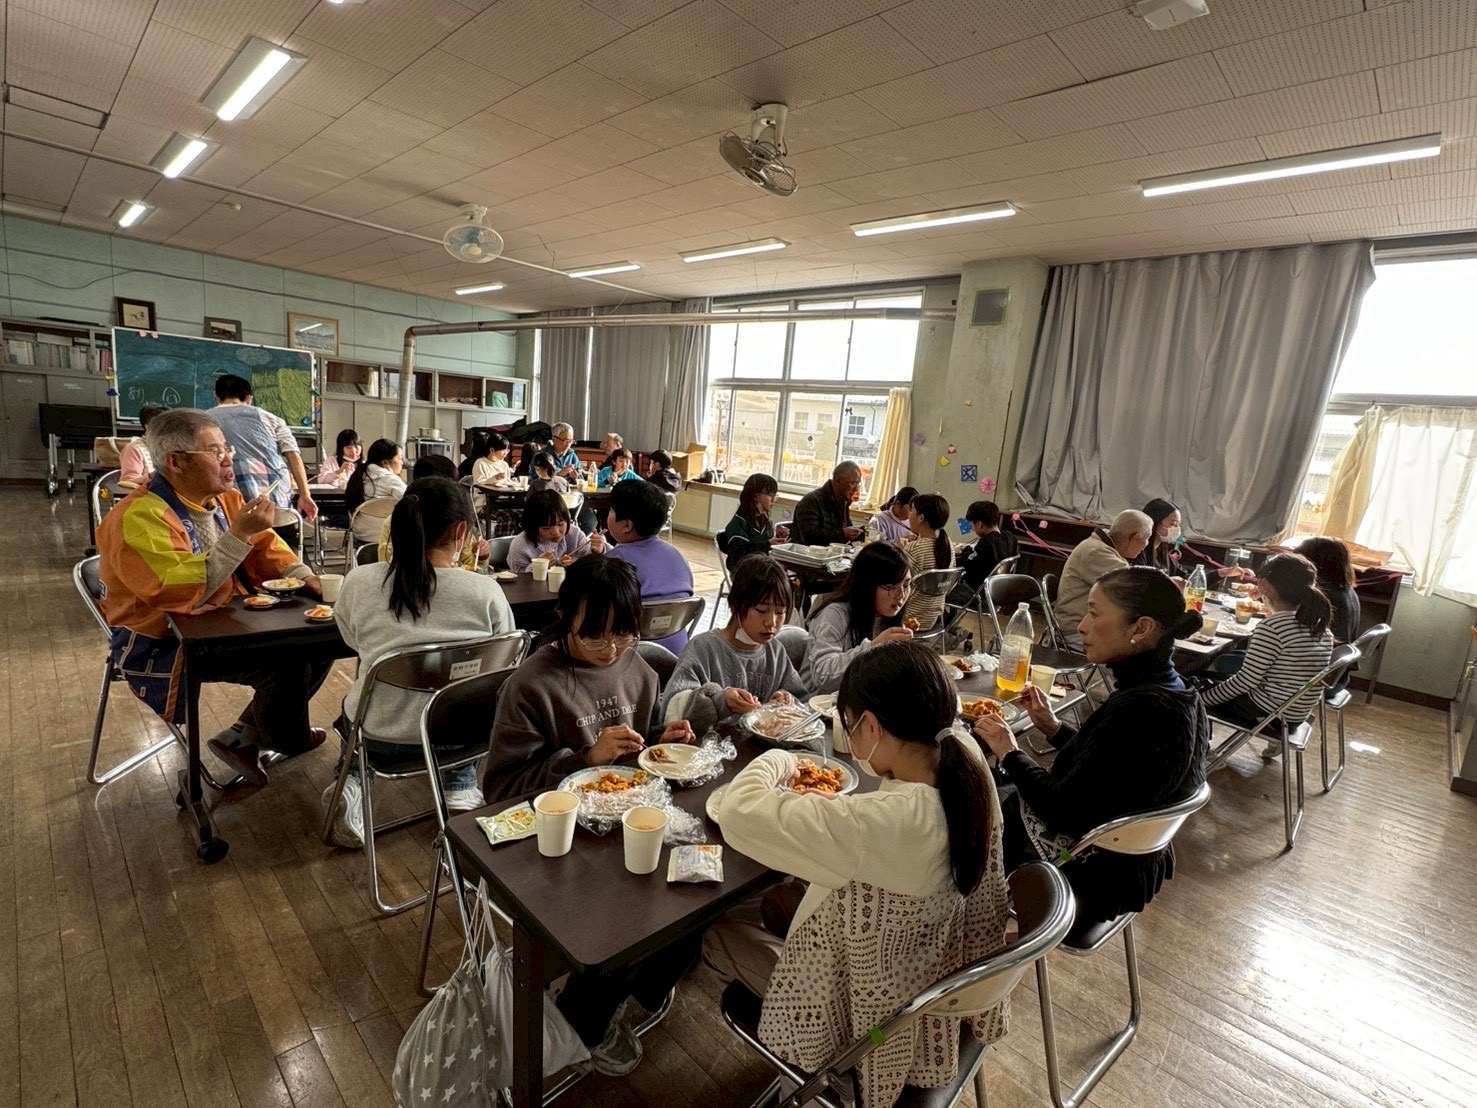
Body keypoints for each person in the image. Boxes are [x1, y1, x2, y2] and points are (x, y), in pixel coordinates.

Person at [703, 642, 1009, 1108]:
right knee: (781, 900)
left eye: (847, 725)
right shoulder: (964, 757)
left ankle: (799, 1079)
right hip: (924, 977)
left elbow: (741, 811)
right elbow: (881, 832)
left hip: (860, 1013)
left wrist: (784, 758)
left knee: (717, 933)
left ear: (870, 725)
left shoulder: (884, 823)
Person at [97, 409, 328, 787]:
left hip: (221, 619)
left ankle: (244, 736)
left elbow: (266, 548)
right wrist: (237, 536)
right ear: (176, 462)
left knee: (318, 640)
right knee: (286, 662)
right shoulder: (138, 516)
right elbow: (174, 591)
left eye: (227, 449)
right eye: (214, 451)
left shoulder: (227, 499)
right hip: (164, 636)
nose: (227, 459)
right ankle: (288, 738)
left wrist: (305, 577)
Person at [972, 566, 1208, 926]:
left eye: (1094, 613)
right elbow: (1112, 769)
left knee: (966, 791)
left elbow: (1060, 809)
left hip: (1087, 877)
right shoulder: (1177, 692)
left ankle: (959, 922)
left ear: (1141, 629)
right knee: (991, 784)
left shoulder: (1143, 709)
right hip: (1128, 869)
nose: (1082, 626)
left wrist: (1009, 750)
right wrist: (1053, 728)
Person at [325, 477, 515, 844]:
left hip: (380, 734)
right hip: (458, 738)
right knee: (465, 699)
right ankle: (459, 787)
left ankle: (352, 784)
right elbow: (503, 661)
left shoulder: (359, 581)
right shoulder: (485, 591)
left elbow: (353, 641)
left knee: (355, 710)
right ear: (460, 531)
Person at [1195, 553, 1334, 742]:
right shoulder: (1319, 627)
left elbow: (1246, 682)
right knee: (1205, 678)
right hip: (1294, 714)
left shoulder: (1272, 627)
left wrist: (1200, 700)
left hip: (1268, 714)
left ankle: (1200, 746)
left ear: (1264, 585)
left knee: (1191, 686)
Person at [662, 556, 809, 731]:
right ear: (736, 604)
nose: (771, 622)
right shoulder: (703, 648)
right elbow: (672, 712)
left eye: (780, 612)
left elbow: (801, 701)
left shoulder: (775, 651)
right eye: (761, 610)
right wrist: (720, 702)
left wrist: (785, 701)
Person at [802, 543, 913, 694]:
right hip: (818, 703)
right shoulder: (835, 614)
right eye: (891, 586)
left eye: (906, 585)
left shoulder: (888, 617)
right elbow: (822, 677)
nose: (901, 595)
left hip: (861, 698)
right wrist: (873, 647)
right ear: (867, 585)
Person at [209, 373, 317, 522]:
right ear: (249, 398)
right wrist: (305, 495)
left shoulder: (204, 421)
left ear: (217, 397)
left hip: (228, 500)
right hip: (274, 499)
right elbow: (293, 456)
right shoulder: (273, 419)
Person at [606, 479, 695, 654]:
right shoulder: (678, 556)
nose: (608, 514)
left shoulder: (613, 562)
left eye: (611, 510)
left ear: (627, 525)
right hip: (677, 656)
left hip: (628, 656)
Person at [1052, 509, 1152, 645]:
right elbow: (1135, 584)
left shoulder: (1104, 547)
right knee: (1144, 645)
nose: (1146, 545)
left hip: (1093, 626)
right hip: (1077, 631)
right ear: (1134, 538)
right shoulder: (1096, 551)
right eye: (1147, 538)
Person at [378, 454, 489, 571]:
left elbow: (471, 565)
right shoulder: (398, 521)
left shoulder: (456, 520)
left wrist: (481, 555)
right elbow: (386, 564)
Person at [1136, 498, 1249, 581]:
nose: (1177, 529)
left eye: (1179, 524)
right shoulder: (1137, 552)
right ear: (1154, 522)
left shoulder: (1164, 553)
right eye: (1173, 524)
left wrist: (1222, 573)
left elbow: (1186, 580)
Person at [507, 489, 603, 573]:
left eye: (560, 524)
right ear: (533, 526)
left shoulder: (575, 534)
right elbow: (518, 578)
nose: (556, 532)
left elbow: (592, 565)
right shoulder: (521, 546)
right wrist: (538, 566)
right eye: (546, 528)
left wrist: (597, 552)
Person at [898, 492, 952, 632]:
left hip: (908, 619)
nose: (909, 514)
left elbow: (898, 584)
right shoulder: (948, 546)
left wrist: (899, 552)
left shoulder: (915, 548)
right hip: (932, 617)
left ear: (921, 518)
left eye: (912, 510)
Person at [949, 500, 1018, 605]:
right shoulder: (1011, 537)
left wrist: (966, 550)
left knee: (937, 591)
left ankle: (943, 616)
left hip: (979, 594)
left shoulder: (987, 542)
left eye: (972, 525)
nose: (973, 529)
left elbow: (969, 566)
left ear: (979, 524)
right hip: (999, 592)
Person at [720, 473, 790, 570]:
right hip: (745, 572)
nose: (773, 500)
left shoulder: (764, 520)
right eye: (770, 495)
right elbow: (739, 556)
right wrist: (768, 544)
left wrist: (778, 538)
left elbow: (764, 544)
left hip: (763, 567)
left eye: (775, 495)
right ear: (755, 496)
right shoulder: (739, 523)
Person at [345, 439, 406, 544]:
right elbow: (411, 501)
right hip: (389, 537)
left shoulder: (358, 476)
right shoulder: (390, 480)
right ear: (385, 462)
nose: (402, 462)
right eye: (399, 458)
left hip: (361, 535)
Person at [790, 461, 863, 545]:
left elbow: (846, 531)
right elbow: (809, 537)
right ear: (839, 480)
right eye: (853, 483)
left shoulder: (842, 501)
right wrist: (842, 534)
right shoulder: (810, 502)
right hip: (808, 552)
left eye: (857, 484)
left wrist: (865, 533)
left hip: (833, 552)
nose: (856, 489)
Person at [118, 402, 168, 487]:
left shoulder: (172, 447)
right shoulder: (134, 449)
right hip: (147, 494)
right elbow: (127, 483)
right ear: (147, 426)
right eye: (161, 424)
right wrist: (152, 476)